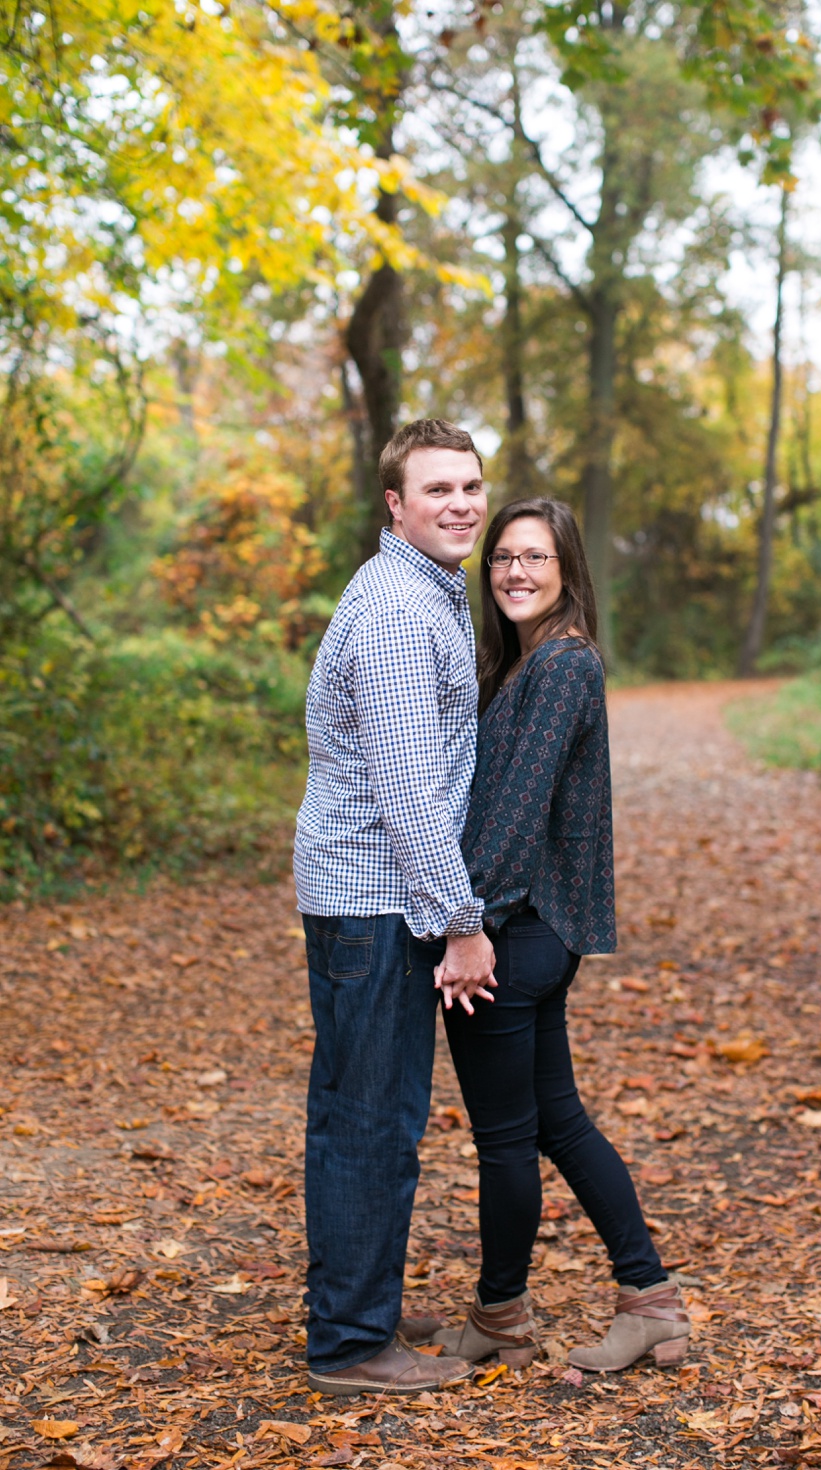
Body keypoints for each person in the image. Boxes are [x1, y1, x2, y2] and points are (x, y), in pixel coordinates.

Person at [431, 497, 690, 1374]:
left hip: (516, 929)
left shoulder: (563, 668)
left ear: (567, 568)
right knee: (557, 1124)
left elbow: (512, 812)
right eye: (502, 556)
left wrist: (468, 924)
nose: (514, 571)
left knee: (507, 1138)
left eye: (534, 557)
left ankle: (502, 1316)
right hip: (535, 928)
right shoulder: (527, 663)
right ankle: (649, 1300)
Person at [293, 419, 497, 1396]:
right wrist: (460, 919)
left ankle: (357, 1300)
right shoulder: (394, 612)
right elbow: (412, 791)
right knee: (369, 1118)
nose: (459, 504)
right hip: (375, 899)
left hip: (374, 895)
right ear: (393, 504)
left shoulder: (426, 590)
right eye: (436, 490)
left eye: (469, 485)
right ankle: (348, 1343)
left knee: (365, 1111)